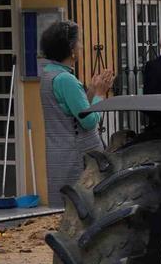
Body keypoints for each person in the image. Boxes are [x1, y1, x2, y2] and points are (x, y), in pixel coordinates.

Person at [37, 19, 113, 210]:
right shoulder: (65, 79)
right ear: (71, 49)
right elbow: (88, 120)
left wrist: (91, 90)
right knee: (83, 210)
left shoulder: (49, 74)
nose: (81, 46)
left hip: (60, 153)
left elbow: (72, 111)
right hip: (78, 157)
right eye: (79, 42)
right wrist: (101, 94)